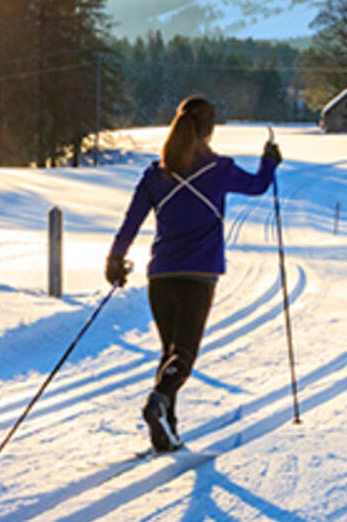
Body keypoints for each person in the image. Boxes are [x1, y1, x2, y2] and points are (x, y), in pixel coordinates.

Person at [105, 95, 279, 454]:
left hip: (161, 277)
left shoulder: (156, 174)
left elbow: (131, 221)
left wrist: (116, 258)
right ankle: (159, 401)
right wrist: (269, 161)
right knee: (183, 356)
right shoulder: (220, 170)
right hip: (198, 277)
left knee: (170, 352)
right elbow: (258, 186)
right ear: (209, 131)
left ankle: (166, 431)